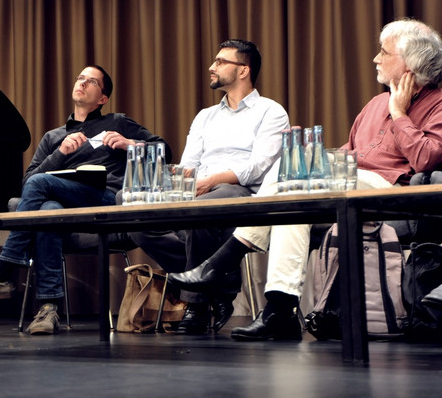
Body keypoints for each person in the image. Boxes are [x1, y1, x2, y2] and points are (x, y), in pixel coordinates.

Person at [169, 18, 442, 341]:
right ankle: (279, 311)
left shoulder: (435, 103)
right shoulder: (374, 104)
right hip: (348, 186)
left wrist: (399, 114)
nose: (375, 58)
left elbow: (427, 158)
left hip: (392, 194)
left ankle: (223, 260)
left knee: (295, 171)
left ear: (410, 65)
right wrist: (309, 154)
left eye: (384, 53)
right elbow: (348, 153)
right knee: (292, 200)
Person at [0, 65, 172, 335]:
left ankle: (1, 271)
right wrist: (60, 153)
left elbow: (164, 152)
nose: (82, 83)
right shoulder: (54, 137)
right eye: (80, 78)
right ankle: (48, 309)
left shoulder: (117, 122)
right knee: (48, 210)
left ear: (102, 98)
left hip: (104, 200)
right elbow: (27, 182)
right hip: (63, 208)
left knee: (42, 188)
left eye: (91, 81)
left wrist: (129, 143)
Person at [132, 39, 290, 335]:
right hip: (200, 191)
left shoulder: (270, 112)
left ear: (243, 70)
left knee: (204, 207)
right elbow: (189, 163)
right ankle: (219, 281)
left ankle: (197, 304)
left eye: (220, 62)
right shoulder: (205, 116)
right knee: (133, 210)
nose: (211, 67)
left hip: (242, 193)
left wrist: (212, 180)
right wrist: (175, 178)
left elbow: (258, 165)